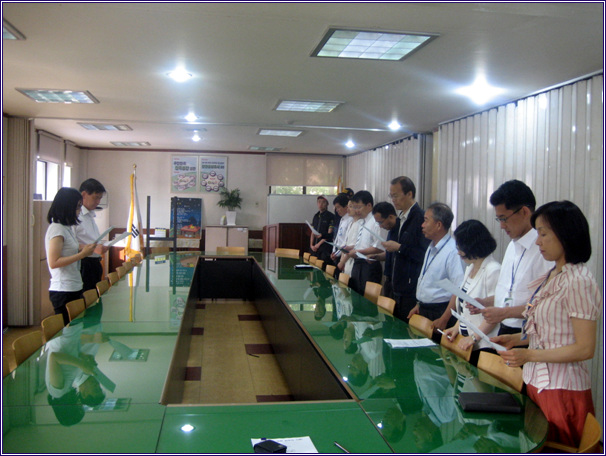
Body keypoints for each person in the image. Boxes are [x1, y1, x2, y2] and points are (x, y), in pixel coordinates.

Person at [491, 201, 601, 447]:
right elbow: (553, 332)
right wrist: (517, 340)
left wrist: (529, 354)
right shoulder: (554, 274)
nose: (538, 242)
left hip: (561, 389)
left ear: (566, 234)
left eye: (543, 234)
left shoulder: (578, 281)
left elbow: (585, 348)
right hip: (537, 383)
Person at [471, 180, 553, 335]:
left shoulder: (544, 250)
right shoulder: (512, 246)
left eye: (504, 218)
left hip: (528, 334)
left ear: (524, 212)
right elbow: (511, 295)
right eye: (499, 219)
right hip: (504, 328)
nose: (502, 226)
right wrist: (485, 303)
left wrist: (505, 313)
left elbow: (547, 305)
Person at [443, 220, 501, 366]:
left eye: (461, 247)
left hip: (483, 344)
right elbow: (464, 307)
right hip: (466, 341)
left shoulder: (493, 270)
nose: (459, 252)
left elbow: (494, 314)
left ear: (473, 246)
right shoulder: (470, 268)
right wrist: (456, 327)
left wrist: (474, 337)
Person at [408, 202, 464, 329]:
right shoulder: (432, 246)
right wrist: (419, 305)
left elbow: (458, 289)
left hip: (441, 312)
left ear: (438, 225)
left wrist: (444, 319)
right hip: (424, 309)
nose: (422, 225)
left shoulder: (452, 251)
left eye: (426, 220)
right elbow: (429, 280)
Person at [46, 188, 97, 324]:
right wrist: (82, 254)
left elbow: (69, 248)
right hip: (63, 289)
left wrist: (83, 248)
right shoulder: (57, 229)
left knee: (76, 329)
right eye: (78, 206)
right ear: (67, 207)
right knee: (69, 332)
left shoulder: (66, 227)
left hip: (74, 285)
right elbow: (54, 262)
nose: (79, 210)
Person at [383, 176, 428, 321]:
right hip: (396, 286)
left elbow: (424, 255)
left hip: (410, 290)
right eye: (391, 196)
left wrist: (399, 247)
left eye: (396, 196)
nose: (393, 200)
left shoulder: (420, 219)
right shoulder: (401, 218)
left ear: (409, 194)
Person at [338, 190, 385, 296]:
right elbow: (360, 243)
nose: (356, 210)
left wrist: (358, 252)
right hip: (358, 263)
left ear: (369, 205)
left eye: (358, 207)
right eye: (354, 207)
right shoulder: (363, 222)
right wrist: (351, 249)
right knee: (355, 296)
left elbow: (379, 247)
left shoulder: (375, 222)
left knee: (366, 299)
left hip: (369, 264)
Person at [75, 178, 108, 292]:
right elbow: (69, 244)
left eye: (100, 198)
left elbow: (91, 238)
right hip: (83, 264)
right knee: (86, 296)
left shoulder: (90, 214)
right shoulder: (76, 216)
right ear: (84, 195)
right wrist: (93, 248)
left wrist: (101, 246)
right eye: (96, 197)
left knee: (95, 296)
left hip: (95, 263)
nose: (98, 202)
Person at [309, 195, 334, 264]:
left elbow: (329, 233)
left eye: (323, 202)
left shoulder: (331, 216)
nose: (321, 204)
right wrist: (311, 245)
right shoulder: (316, 216)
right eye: (319, 202)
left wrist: (318, 245)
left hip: (324, 248)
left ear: (327, 204)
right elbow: (312, 232)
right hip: (314, 248)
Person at [330, 193, 352, 267]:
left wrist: (337, 254)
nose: (337, 210)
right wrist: (333, 251)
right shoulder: (342, 219)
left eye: (338, 207)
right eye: (336, 208)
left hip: (343, 254)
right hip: (337, 253)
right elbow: (337, 238)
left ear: (346, 206)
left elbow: (346, 241)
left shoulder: (350, 220)